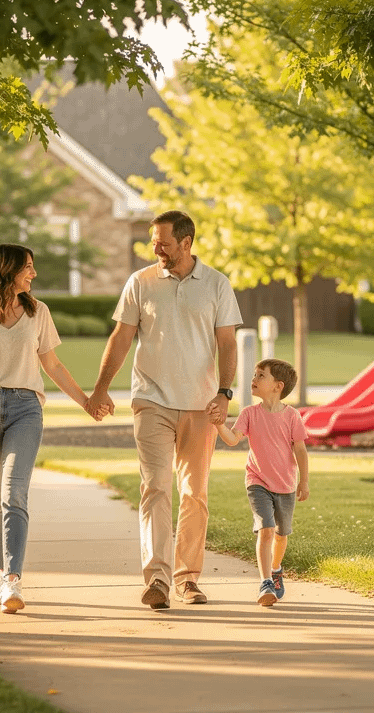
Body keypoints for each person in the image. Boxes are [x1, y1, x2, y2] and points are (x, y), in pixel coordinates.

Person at [86, 210, 241, 610]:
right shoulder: (141, 283)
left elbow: (227, 343)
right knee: (155, 487)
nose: (156, 248)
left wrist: (224, 393)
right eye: (154, 241)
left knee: (195, 493)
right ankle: (156, 578)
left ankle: (187, 579)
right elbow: (122, 337)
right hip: (150, 399)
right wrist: (101, 388)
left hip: (201, 405)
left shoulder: (217, 285)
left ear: (186, 243)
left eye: (164, 242)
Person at [0, 243, 99, 614]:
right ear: (7, 269)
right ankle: (2, 574)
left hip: (25, 408)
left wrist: (87, 401)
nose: (33, 274)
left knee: (14, 492)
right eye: (27, 267)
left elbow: (53, 365)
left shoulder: (38, 312)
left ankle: (12, 579)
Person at [214, 358, 310, 606]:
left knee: (280, 534)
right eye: (254, 375)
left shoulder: (291, 416)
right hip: (257, 481)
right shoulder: (249, 413)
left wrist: (304, 482)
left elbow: (300, 450)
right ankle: (265, 581)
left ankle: (276, 569)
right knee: (266, 530)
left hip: (286, 485)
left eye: (260, 376)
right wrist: (218, 424)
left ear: (278, 386)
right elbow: (233, 440)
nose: (254, 380)